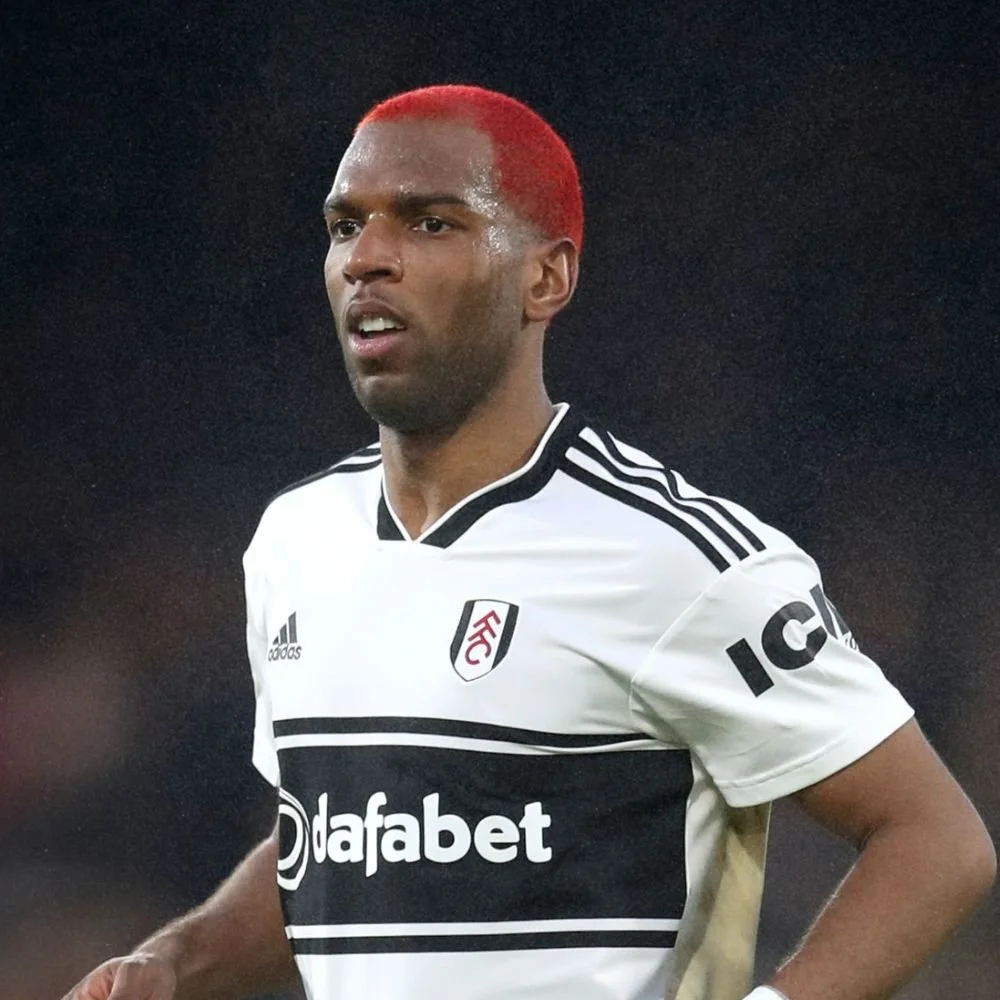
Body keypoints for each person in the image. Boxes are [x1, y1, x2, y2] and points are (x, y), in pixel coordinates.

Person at [63, 84, 994, 1000]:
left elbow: (934, 843)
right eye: (346, 226)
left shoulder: (675, 555)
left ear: (545, 277)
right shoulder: (294, 541)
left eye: (429, 223)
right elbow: (337, 845)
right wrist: (176, 964)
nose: (368, 258)